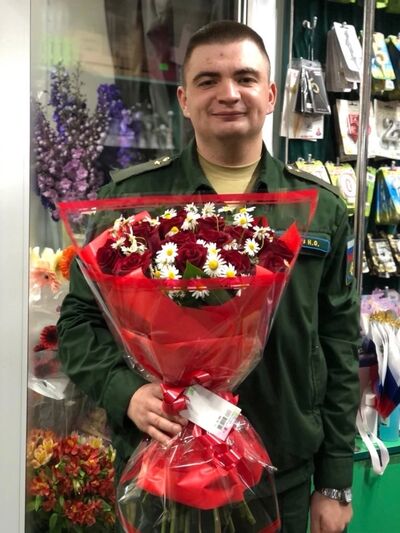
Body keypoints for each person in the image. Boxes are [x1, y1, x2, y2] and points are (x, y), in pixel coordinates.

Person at [58, 20, 360, 533]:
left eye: (245, 78)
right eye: (207, 80)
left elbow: (339, 345)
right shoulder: (130, 202)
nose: (228, 93)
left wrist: (334, 482)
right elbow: (78, 323)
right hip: (160, 469)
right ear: (183, 99)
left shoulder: (320, 208)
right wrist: (125, 392)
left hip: (281, 471)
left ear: (270, 94)